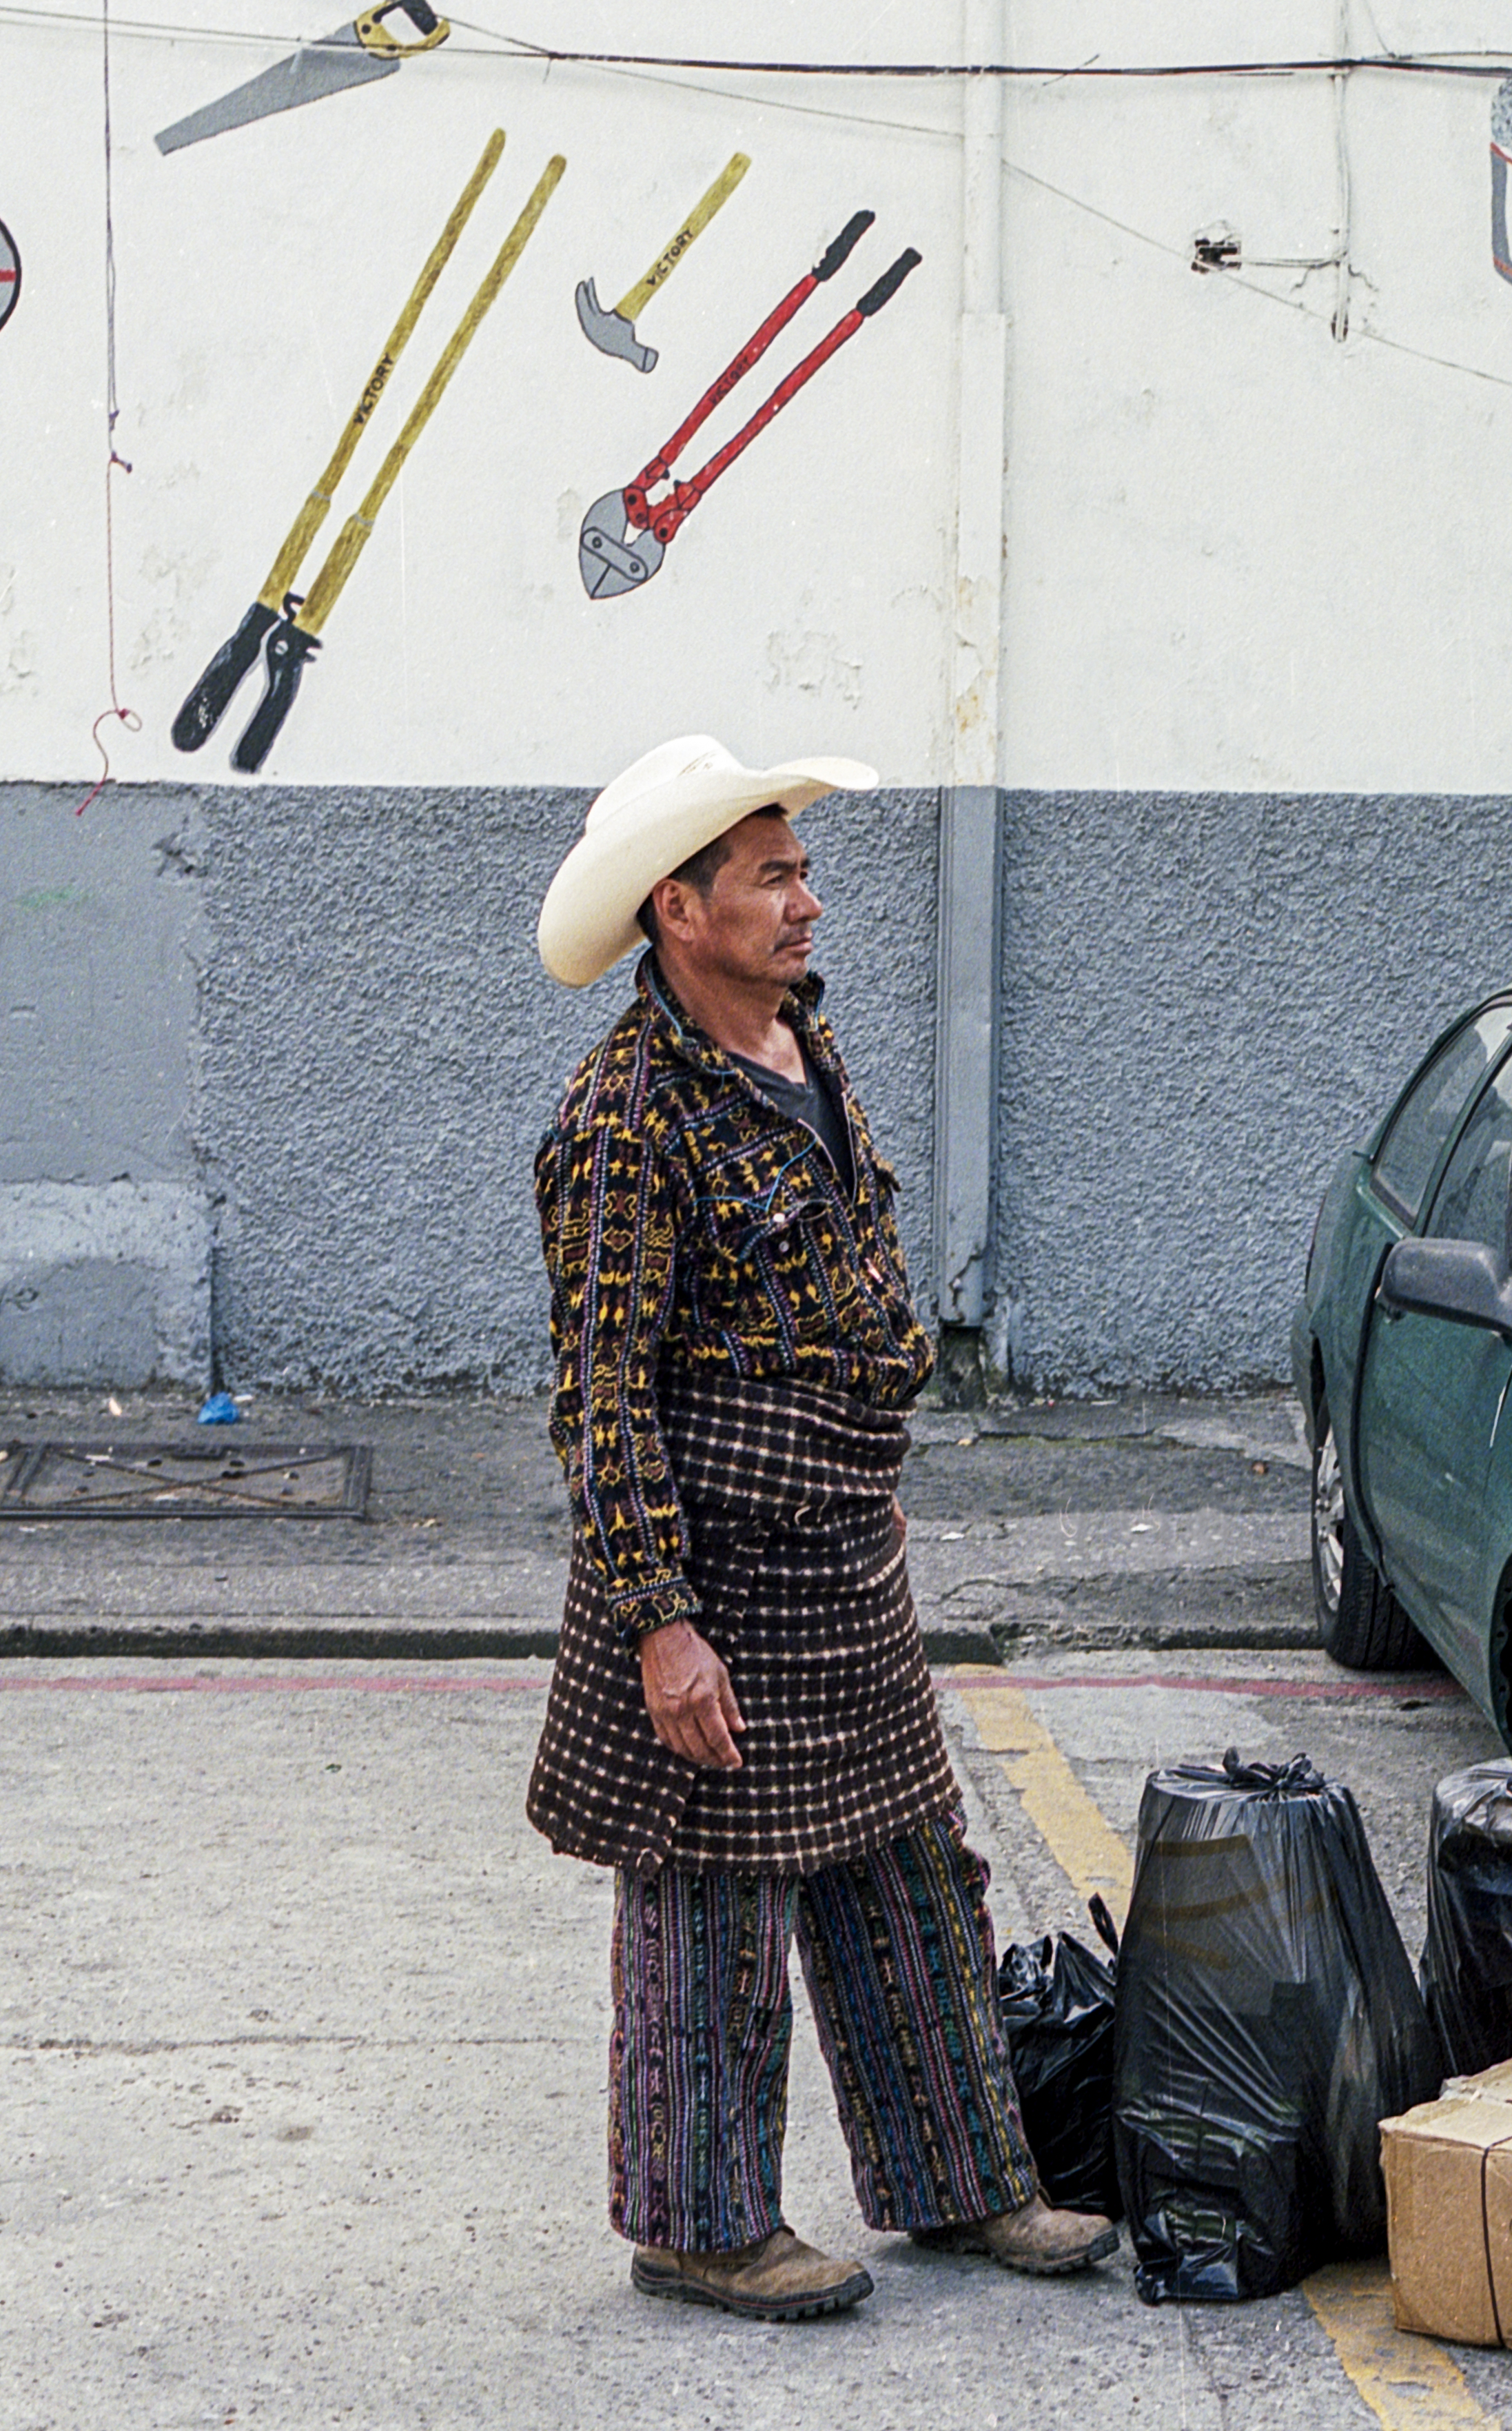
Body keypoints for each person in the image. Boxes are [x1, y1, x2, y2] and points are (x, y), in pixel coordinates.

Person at [527, 733, 1117, 2322]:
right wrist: (659, 1621)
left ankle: (961, 2180)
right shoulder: (622, 1121)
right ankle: (697, 2223)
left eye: (798, 867)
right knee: (710, 1905)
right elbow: (603, 1395)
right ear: (677, 906)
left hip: (841, 1551)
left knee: (909, 1869)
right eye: (769, 875)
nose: (803, 899)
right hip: (717, 1570)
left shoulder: (803, 1044)